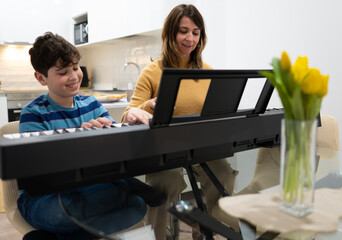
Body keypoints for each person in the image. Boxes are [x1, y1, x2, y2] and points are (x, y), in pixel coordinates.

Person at [18, 32, 165, 240]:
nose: (73, 76)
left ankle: (58, 238)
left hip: (88, 190)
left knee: (137, 206)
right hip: (43, 198)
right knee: (63, 210)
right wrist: (82, 139)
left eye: (76, 68)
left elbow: (118, 153)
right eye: (63, 72)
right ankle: (126, 184)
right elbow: (41, 174)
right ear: (41, 78)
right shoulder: (33, 114)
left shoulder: (93, 104)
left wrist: (112, 133)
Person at [121, 4, 239, 240]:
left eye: (196, 33)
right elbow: (128, 114)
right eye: (183, 31)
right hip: (163, 149)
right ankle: (158, 235)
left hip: (200, 147)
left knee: (224, 173)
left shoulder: (208, 72)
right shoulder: (152, 72)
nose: (190, 38)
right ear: (170, 33)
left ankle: (214, 231)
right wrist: (150, 105)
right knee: (167, 181)